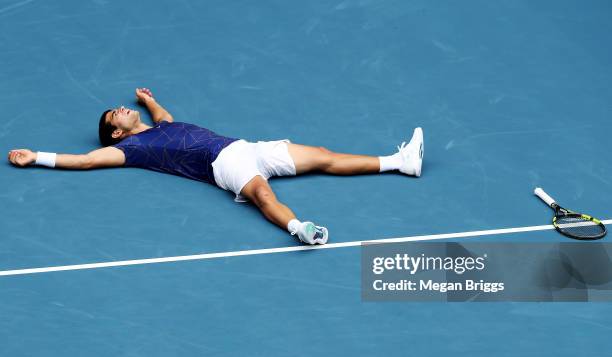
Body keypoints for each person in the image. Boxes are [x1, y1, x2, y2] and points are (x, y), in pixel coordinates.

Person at [7, 88, 424, 245]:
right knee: (262, 195)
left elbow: (166, 115)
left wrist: (147, 101)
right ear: (117, 135)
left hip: (247, 147)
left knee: (323, 155)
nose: (118, 110)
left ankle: (400, 162)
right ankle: (302, 230)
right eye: (113, 116)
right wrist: (37, 157)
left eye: (118, 109)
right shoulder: (133, 151)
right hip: (221, 164)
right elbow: (84, 160)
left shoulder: (161, 125)